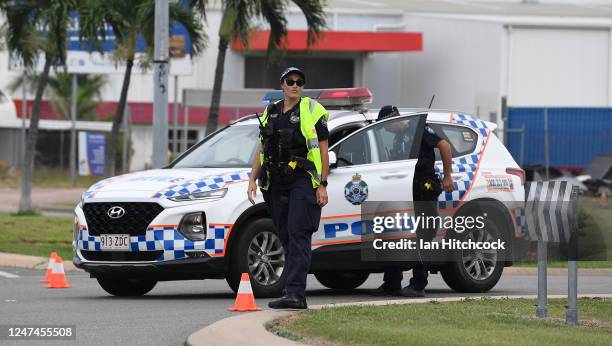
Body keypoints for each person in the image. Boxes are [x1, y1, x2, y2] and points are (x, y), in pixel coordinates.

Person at [247, 67, 329, 309]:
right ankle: (290, 291)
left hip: (302, 179)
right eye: (290, 81)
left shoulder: (312, 110)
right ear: (282, 85)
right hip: (275, 182)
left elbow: (323, 151)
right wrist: (252, 179)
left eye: (299, 82)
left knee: (298, 233)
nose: (295, 85)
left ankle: (296, 294)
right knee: (285, 235)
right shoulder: (270, 112)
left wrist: (323, 184)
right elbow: (262, 150)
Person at [373, 105, 454, 297]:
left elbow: (444, 145)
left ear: (393, 120)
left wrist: (448, 176)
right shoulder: (399, 137)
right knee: (394, 236)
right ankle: (392, 283)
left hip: (423, 193)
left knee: (423, 238)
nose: (385, 130)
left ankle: (418, 285)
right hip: (404, 192)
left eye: (385, 126)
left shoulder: (419, 129)